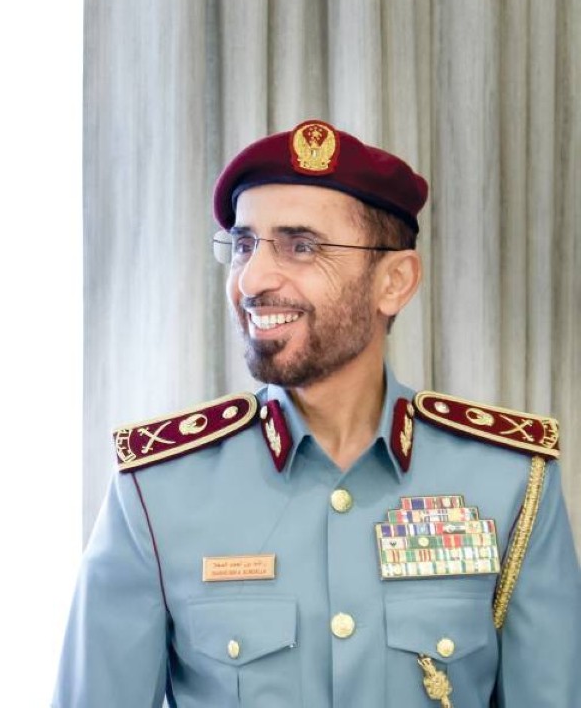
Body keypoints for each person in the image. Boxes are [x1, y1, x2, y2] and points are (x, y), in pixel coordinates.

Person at [53, 119, 580, 707]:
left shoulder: (510, 481)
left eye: (301, 246)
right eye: (244, 245)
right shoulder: (156, 490)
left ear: (394, 282)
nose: (252, 279)